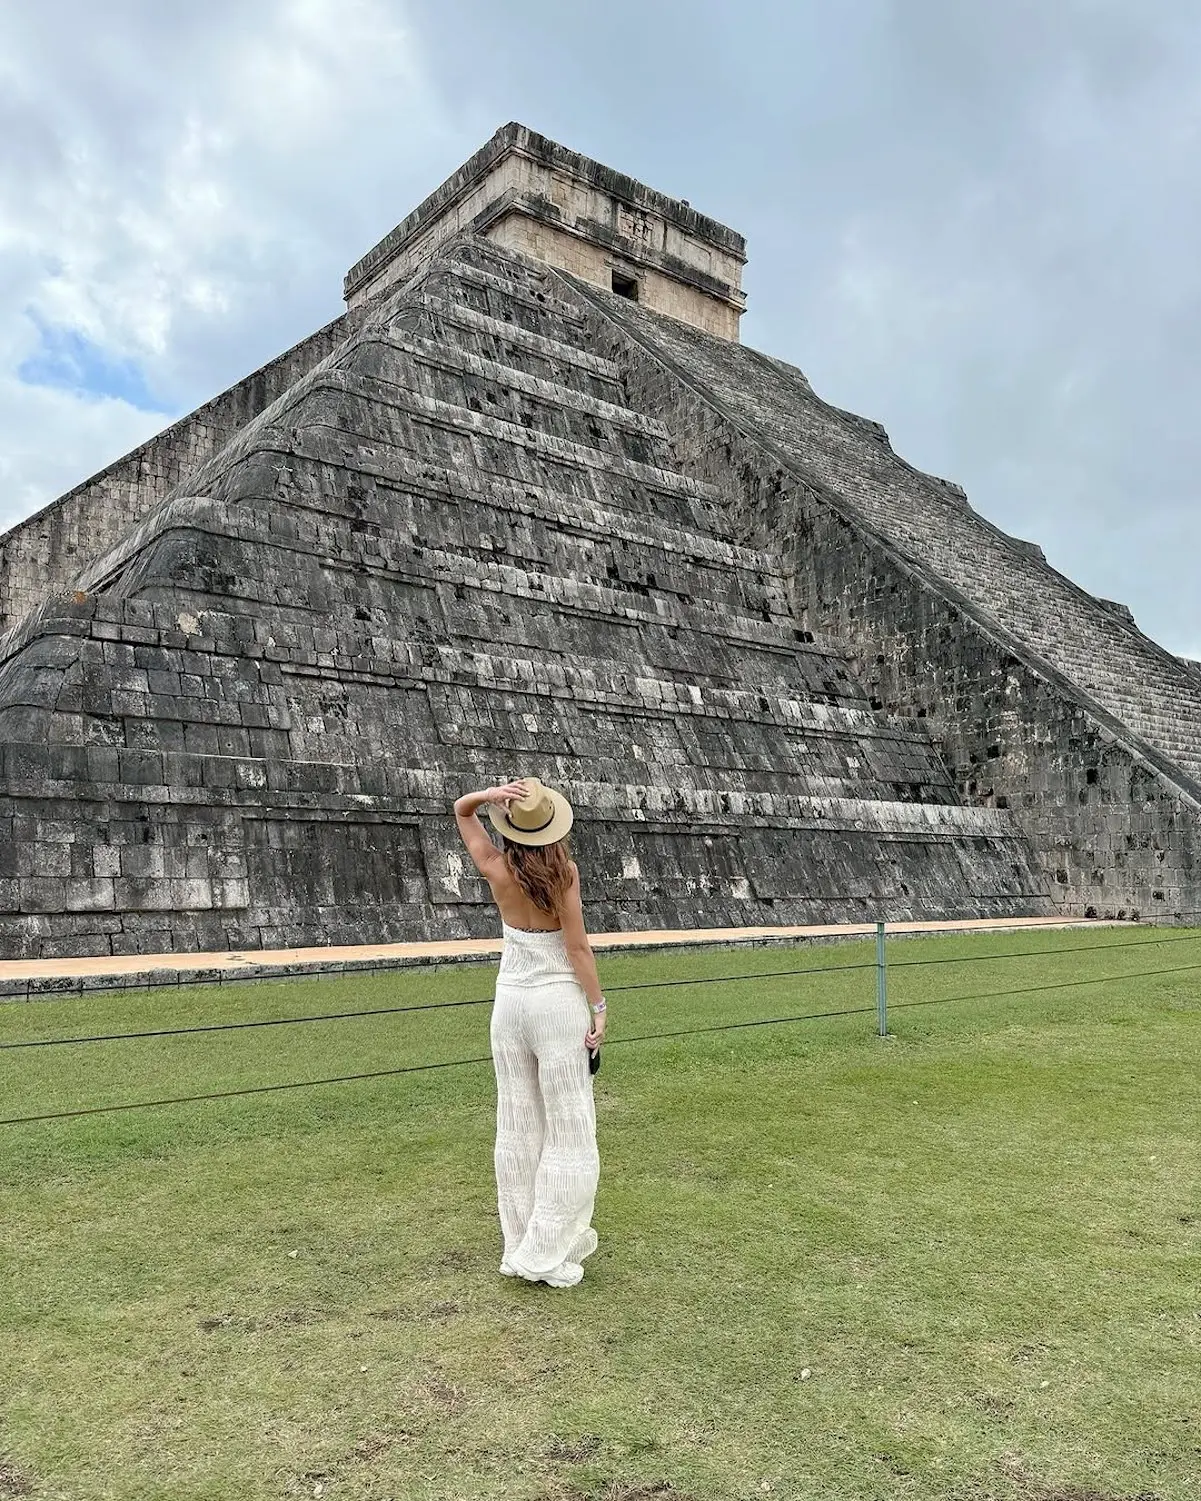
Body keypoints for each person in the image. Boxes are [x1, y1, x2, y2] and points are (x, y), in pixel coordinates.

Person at [453, 776, 606, 1288]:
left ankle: (519, 1242)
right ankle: (543, 1248)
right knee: (568, 1127)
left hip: (510, 1004)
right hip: (556, 1004)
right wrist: (599, 1005)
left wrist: (488, 796)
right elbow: (577, 948)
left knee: (517, 1125)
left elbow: (461, 811)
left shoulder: (496, 868)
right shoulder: (564, 875)